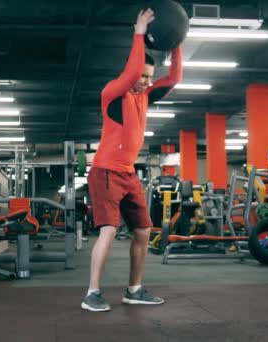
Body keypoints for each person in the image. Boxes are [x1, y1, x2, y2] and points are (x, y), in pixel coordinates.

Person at [82, 8, 183, 312]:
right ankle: (92, 293)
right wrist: (139, 35)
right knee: (109, 229)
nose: (144, 82)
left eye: (148, 78)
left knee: (143, 230)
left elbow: (175, 77)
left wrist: (176, 41)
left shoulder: (144, 96)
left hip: (128, 174)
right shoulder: (114, 92)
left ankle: (134, 289)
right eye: (142, 77)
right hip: (105, 172)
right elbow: (131, 71)